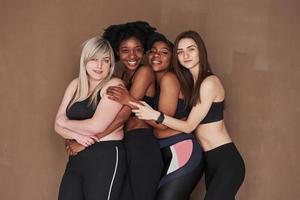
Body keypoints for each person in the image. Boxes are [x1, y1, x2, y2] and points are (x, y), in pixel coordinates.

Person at [130, 30, 245, 200]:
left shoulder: (209, 83)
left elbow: (189, 126)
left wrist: (155, 115)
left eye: (191, 49)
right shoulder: (190, 84)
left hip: (225, 159)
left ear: (201, 51)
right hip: (210, 161)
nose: (186, 55)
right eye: (180, 51)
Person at [66, 21, 163, 200]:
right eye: (125, 50)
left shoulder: (145, 71)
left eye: (138, 49)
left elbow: (122, 117)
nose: (132, 55)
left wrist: (86, 143)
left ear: (144, 51)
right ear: (117, 52)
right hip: (126, 145)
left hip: (142, 147)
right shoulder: (120, 77)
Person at [107, 32, 205, 200]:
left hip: (181, 151)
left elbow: (161, 124)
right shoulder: (156, 81)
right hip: (165, 150)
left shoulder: (169, 78)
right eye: (153, 51)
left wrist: (128, 99)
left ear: (172, 58)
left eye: (164, 52)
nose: (156, 55)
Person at [54, 36, 126, 200]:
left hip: (105, 156)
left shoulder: (114, 85)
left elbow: (96, 126)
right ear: (85, 61)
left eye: (105, 60)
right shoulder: (75, 85)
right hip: (77, 158)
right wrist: (76, 136)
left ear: (111, 64)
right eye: (94, 59)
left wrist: (66, 123)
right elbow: (56, 126)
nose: (99, 66)